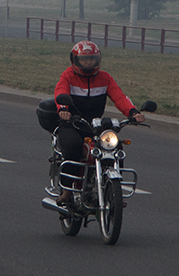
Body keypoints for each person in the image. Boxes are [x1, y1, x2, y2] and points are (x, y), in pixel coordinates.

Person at [53, 40, 144, 206]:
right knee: (72, 145)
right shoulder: (68, 76)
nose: (88, 62)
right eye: (84, 59)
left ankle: (114, 190)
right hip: (72, 124)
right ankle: (67, 191)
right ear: (75, 60)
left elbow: (119, 97)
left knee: (115, 146)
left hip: (95, 125)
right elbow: (60, 91)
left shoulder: (105, 78)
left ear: (98, 60)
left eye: (92, 59)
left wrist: (133, 112)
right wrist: (63, 109)